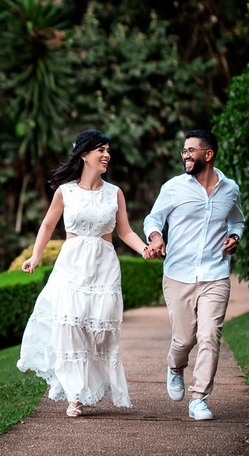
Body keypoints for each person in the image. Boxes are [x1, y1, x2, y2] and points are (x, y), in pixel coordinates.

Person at [16, 129, 150, 417]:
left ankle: (93, 384)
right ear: (85, 154)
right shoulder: (65, 192)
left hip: (104, 267)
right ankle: (75, 395)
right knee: (71, 328)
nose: (107, 155)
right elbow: (48, 226)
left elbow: (125, 231)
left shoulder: (115, 193)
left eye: (108, 150)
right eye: (101, 150)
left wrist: (144, 249)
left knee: (99, 330)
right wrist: (35, 256)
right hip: (71, 267)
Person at [142, 128, 245, 421]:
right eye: (184, 151)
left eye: (191, 151)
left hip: (215, 274)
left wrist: (235, 236)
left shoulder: (230, 189)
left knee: (209, 335)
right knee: (184, 339)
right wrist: (155, 237)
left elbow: (237, 219)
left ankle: (199, 398)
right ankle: (175, 368)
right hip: (178, 274)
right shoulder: (174, 187)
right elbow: (153, 218)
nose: (185, 155)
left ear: (208, 155)